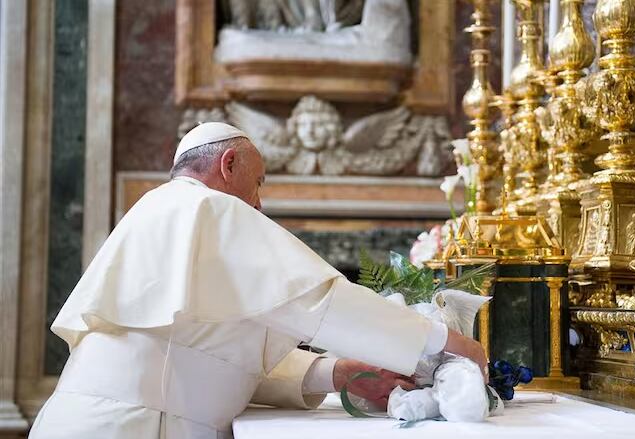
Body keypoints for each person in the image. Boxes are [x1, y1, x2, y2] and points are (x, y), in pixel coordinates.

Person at [29, 122, 486, 439]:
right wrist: (442, 341)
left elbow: (210, 352)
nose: (259, 203)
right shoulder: (209, 207)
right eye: (259, 182)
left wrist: (335, 373)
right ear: (229, 164)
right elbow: (318, 300)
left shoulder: (160, 210)